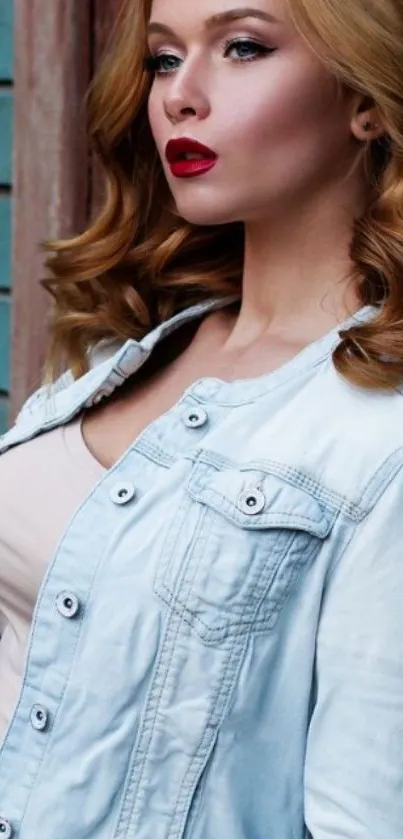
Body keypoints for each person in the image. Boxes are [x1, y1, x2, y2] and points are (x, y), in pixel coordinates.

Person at [0, 0, 402, 835]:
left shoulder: (378, 434)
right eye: (162, 59)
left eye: (243, 47)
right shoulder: (115, 358)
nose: (180, 95)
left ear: (365, 100)